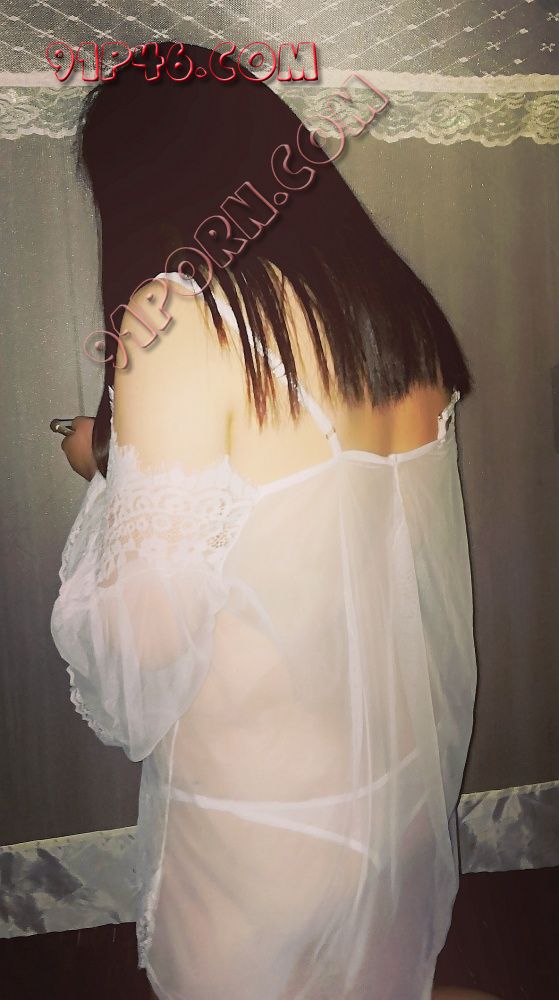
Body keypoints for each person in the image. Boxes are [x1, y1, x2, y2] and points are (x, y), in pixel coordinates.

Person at [51, 40, 488, 1000]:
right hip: (397, 793)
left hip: (259, 824)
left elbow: (136, 664)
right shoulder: (391, 307)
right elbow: (307, 509)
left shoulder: (175, 319)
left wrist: (102, 476)